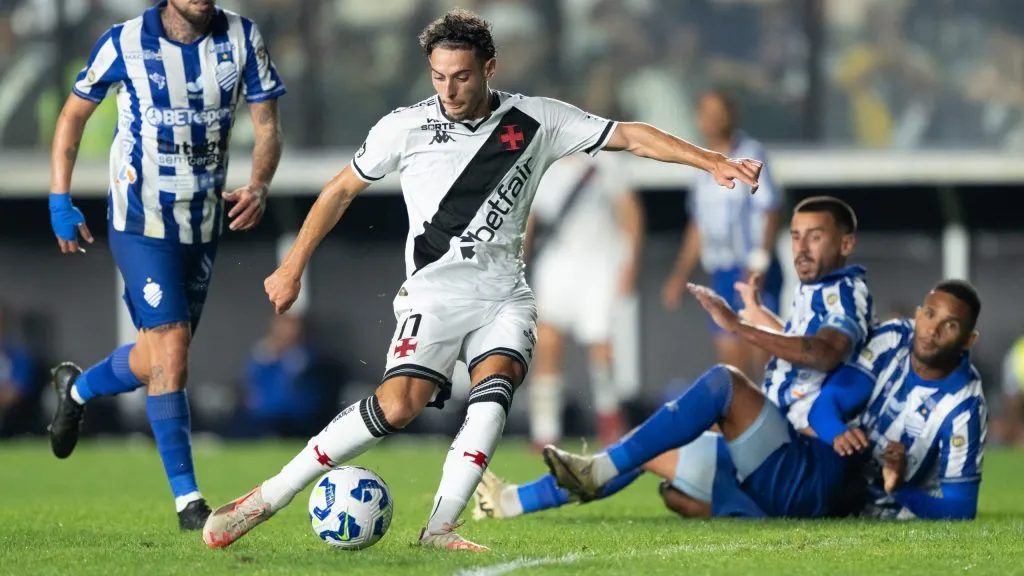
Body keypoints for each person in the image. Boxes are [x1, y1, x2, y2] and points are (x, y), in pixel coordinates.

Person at [201, 8, 762, 552]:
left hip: (504, 297)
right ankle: (269, 496)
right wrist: (293, 263)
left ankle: (439, 528)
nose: (449, 89)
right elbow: (340, 190)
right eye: (439, 76)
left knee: (493, 398)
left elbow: (632, 136)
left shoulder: (537, 119)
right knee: (398, 407)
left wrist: (710, 160)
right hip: (434, 294)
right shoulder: (405, 126)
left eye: (462, 76)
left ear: (489, 68)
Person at [478, 196, 873, 520]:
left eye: (815, 237)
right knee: (648, 445)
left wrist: (739, 327)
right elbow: (806, 348)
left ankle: (609, 472)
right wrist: (762, 318)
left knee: (725, 383)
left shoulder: (845, 292)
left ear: (845, 243)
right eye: (796, 237)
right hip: (779, 456)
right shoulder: (821, 290)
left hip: (804, 467)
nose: (801, 248)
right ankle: (510, 501)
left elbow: (825, 352)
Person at [45, 0, 285, 530]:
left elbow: (266, 124)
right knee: (172, 351)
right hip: (141, 222)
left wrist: (261, 183)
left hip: (202, 224)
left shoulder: (243, 38)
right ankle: (189, 503)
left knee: (157, 357)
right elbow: (73, 114)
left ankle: (77, 390)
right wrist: (60, 199)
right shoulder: (125, 41)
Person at [810, 280, 986, 520]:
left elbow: (961, 509)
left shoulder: (965, 405)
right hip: (832, 480)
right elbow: (827, 402)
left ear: (968, 341)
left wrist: (899, 488)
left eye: (950, 325)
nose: (932, 330)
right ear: (918, 314)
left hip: (881, 514)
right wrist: (837, 434)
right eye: (930, 315)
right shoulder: (894, 338)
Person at [526, 146, 645, 448]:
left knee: (601, 347)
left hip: (600, 265)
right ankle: (545, 432)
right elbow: (529, 219)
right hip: (556, 265)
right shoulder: (541, 163)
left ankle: (609, 423)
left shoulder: (606, 162)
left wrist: (629, 266)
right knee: (548, 342)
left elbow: (630, 212)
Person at [662, 90, 782, 380]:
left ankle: (776, 419)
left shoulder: (751, 153)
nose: (712, 120)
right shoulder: (700, 164)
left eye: (719, 112)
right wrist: (679, 275)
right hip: (722, 272)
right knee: (731, 360)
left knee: (763, 354)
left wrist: (759, 262)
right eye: (706, 113)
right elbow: (698, 226)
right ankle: (743, 422)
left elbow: (770, 209)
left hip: (751, 270)